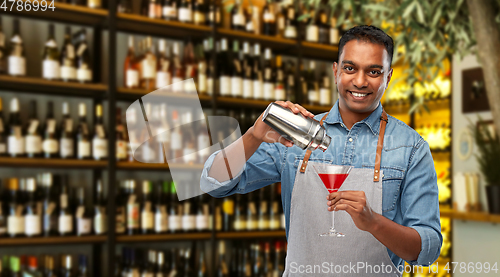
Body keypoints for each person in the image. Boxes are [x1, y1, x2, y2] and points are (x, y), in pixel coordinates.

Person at [200, 25, 442, 276]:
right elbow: (213, 183)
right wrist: (252, 136)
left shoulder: (412, 148)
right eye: (350, 68)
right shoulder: (295, 137)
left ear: (388, 77)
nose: (360, 81)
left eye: (373, 71)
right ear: (336, 71)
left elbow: (428, 248)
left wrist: (374, 223)